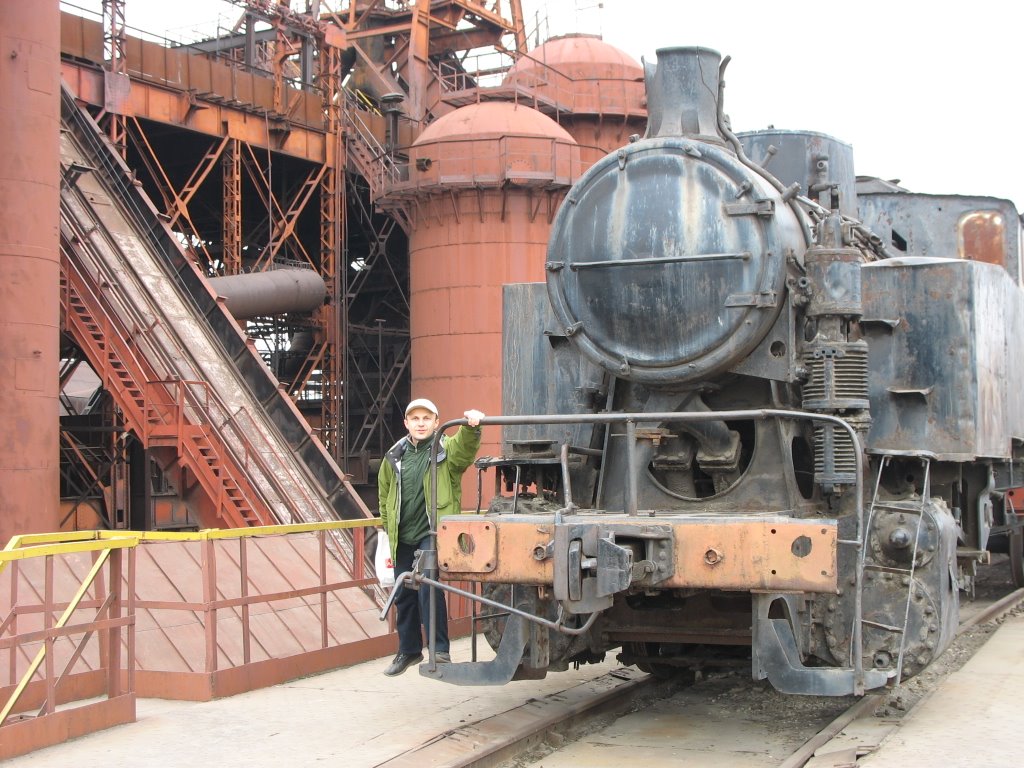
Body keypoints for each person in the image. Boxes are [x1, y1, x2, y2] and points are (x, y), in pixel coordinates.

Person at [378, 398, 485, 677]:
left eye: (427, 418)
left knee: (428, 587)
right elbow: (384, 494)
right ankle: (409, 649)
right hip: (403, 536)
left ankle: (439, 650)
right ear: (407, 424)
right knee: (403, 592)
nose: (421, 423)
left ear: (437, 422)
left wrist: (471, 428)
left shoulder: (445, 449)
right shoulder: (394, 455)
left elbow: (464, 451)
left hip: (432, 532)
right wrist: (389, 529)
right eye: (416, 419)